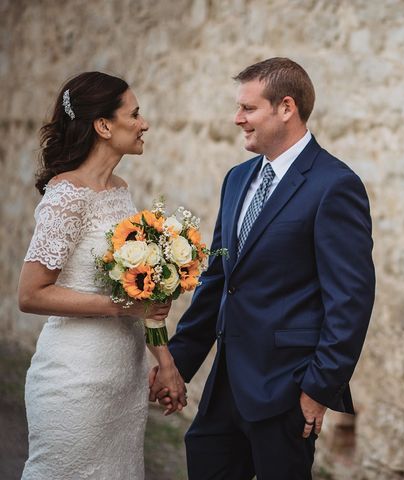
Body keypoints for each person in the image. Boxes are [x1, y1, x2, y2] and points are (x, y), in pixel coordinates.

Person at [150, 57, 376, 479]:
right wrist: (177, 364)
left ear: (286, 107)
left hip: (286, 391)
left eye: (248, 109)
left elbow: (350, 301)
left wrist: (318, 388)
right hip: (223, 388)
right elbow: (218, 281)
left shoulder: (335, 185)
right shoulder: (237, 179)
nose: (237, 119)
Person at [18, 71, 186, 480]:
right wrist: (120, 306)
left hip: (123, 382)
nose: (144, 124)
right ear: (104, 125)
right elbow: (31, 294)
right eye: (136, 114)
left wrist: (165, 363)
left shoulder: (119, 190)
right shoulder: (66, 197)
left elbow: (137, 290)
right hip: (76, 379)